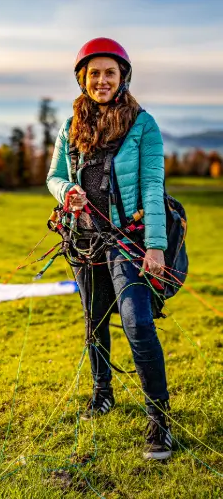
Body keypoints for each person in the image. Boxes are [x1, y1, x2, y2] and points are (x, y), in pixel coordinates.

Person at [46, 38, 172, 460]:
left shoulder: (143, 125)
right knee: (93, 319)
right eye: (94, 73)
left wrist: (155, 246)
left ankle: (159, 418)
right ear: (83, 78)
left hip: (128, 239)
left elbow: (153, 186)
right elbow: (54, 176)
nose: (101, 80)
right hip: (83, 240)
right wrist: (68, 191)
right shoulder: (70, 126)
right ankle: (103, 393)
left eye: (109, 73)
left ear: (123, 78)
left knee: (137, 322)